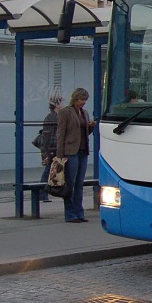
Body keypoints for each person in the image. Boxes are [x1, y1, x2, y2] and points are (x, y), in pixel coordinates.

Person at [55, 87, 96, 222]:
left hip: (83, 151)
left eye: (85, 100)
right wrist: (59, 155)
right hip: (70, 152)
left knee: (79, 183)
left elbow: (84, 133)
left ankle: (79, 212)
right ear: (75, 99)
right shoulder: (66, 112)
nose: (83, 102)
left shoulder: (84, 113)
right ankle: (70, 214)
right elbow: (60, 133)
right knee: (70, 183)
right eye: (81, 99)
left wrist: (90, 127)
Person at [37, 95, 62, 202]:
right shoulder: (52, 117)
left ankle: (44, 194)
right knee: (48, 171)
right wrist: (47, 154)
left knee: (50, 171)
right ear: (56, 105)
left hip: (53, 148)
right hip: (52, 149)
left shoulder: (54, 116)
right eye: (60, 103)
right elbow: (48, 137)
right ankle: (42, 194)